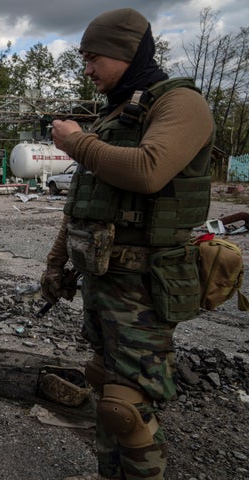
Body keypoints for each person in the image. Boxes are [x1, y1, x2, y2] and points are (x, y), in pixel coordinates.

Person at [41, 8, 214, 480]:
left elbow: (148, 169)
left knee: (127, 407)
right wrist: (57, 263)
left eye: (94, 57)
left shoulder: (180, 104)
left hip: (145, 284)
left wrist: (76, 143)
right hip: (104, 281)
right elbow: (85, 203)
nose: (87, 69)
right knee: (104, 384)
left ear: (126, 52)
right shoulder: (117, 112)